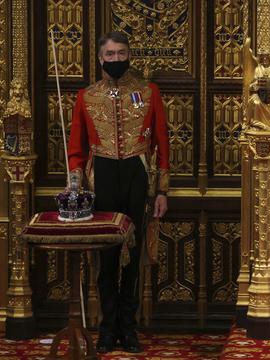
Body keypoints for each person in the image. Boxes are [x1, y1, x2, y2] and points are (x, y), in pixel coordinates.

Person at [68, 31, 169, 353]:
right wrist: (74, 182)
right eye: (110, 55)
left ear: (129, 55)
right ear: (100, 59)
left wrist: (162, 191)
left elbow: (163, 144)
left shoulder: (148, 92)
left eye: (121, 53)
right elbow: (76, 147)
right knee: (107, 257)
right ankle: (107, 330)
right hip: (102, 176)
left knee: (134, 256)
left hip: (137, 175)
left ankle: (130, 327)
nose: (115, 59)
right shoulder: (86, 97)